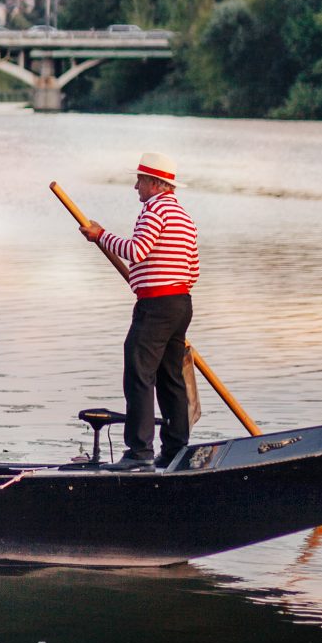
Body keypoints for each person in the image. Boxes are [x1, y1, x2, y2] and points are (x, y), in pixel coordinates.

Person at [81, 152, 200, 469]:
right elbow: (193, 271)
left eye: (139, 180)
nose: (135, 186)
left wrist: (100, 236)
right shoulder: (184, 216)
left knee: (139, 373)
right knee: (169, 376)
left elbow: (136, 251)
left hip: (157, 305)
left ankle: (139, 453)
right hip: (180, 304)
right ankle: (175, 448)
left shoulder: (154, 210)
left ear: (154, 183)